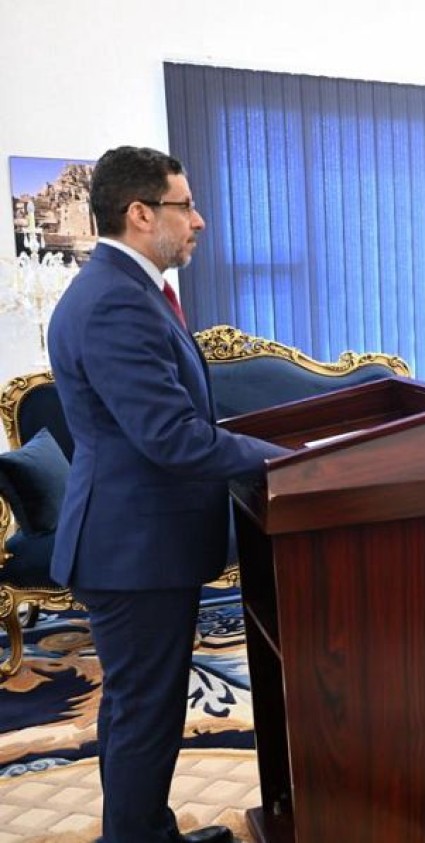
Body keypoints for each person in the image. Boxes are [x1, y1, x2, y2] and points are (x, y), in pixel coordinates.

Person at [47, 146, 291, 843]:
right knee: (144, 711)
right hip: (131, 548)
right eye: (186, 206)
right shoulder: (115, 303)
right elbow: (173, 437)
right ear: (139, 212)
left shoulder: (124, 289)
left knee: (138, 709)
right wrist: (288, 458)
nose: (201, 222)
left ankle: (145, 830)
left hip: (137, 541)